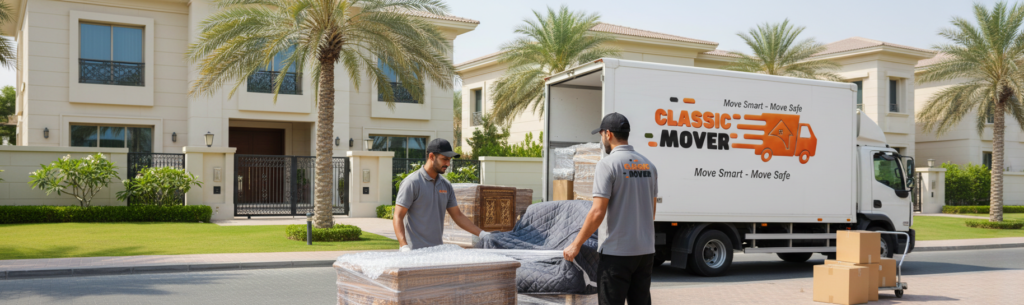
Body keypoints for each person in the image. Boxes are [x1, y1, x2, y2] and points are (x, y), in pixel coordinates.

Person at [563, 113, 658, 305]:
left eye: (601, 135)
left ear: (608, 134)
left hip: (617, 254)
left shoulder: (607, 165)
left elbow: (597, 212)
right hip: (645, 252)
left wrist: (576, 244)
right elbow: (652, 210)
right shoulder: (649, 166)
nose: (601, 139)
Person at [393, 138, 490, 251]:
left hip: (436, 252)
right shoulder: (412, 182)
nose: (448, 164)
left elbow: (457, 215)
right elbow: (398, 216)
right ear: (431, 157)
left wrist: (482, 234)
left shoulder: (445, 185)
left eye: (449, 160)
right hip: (412, 252)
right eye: (444, 159)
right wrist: (404, 246)